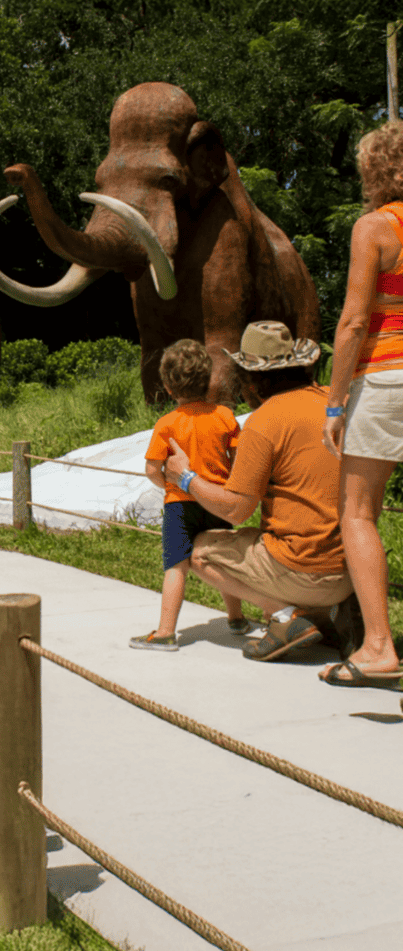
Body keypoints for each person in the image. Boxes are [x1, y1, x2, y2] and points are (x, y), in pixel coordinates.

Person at [163, 321, 358, 663]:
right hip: (351, 569)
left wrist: (186, 478)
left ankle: (286, 617)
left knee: (198, 551)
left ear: (252, 377)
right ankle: (329, 615)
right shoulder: (334, 404)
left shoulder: (264, 421)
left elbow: (237, 510)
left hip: (301, 569)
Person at [320, 123, 403, 686]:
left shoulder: (375, 227)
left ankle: (378, 647)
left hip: (387, 377)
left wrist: (334, 400)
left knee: (358, 511)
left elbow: (353, 322)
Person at [131, 339, 247, 652]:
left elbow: (153, 469)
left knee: (176, 567)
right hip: (218, 501)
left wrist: (169, 485)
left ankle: (166, 632)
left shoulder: (167, 424)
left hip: (180, 505)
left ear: (168, 387)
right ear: (208, 380)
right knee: (223, 561)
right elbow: (237, 461)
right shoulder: (225, 416)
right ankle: (236, 618)